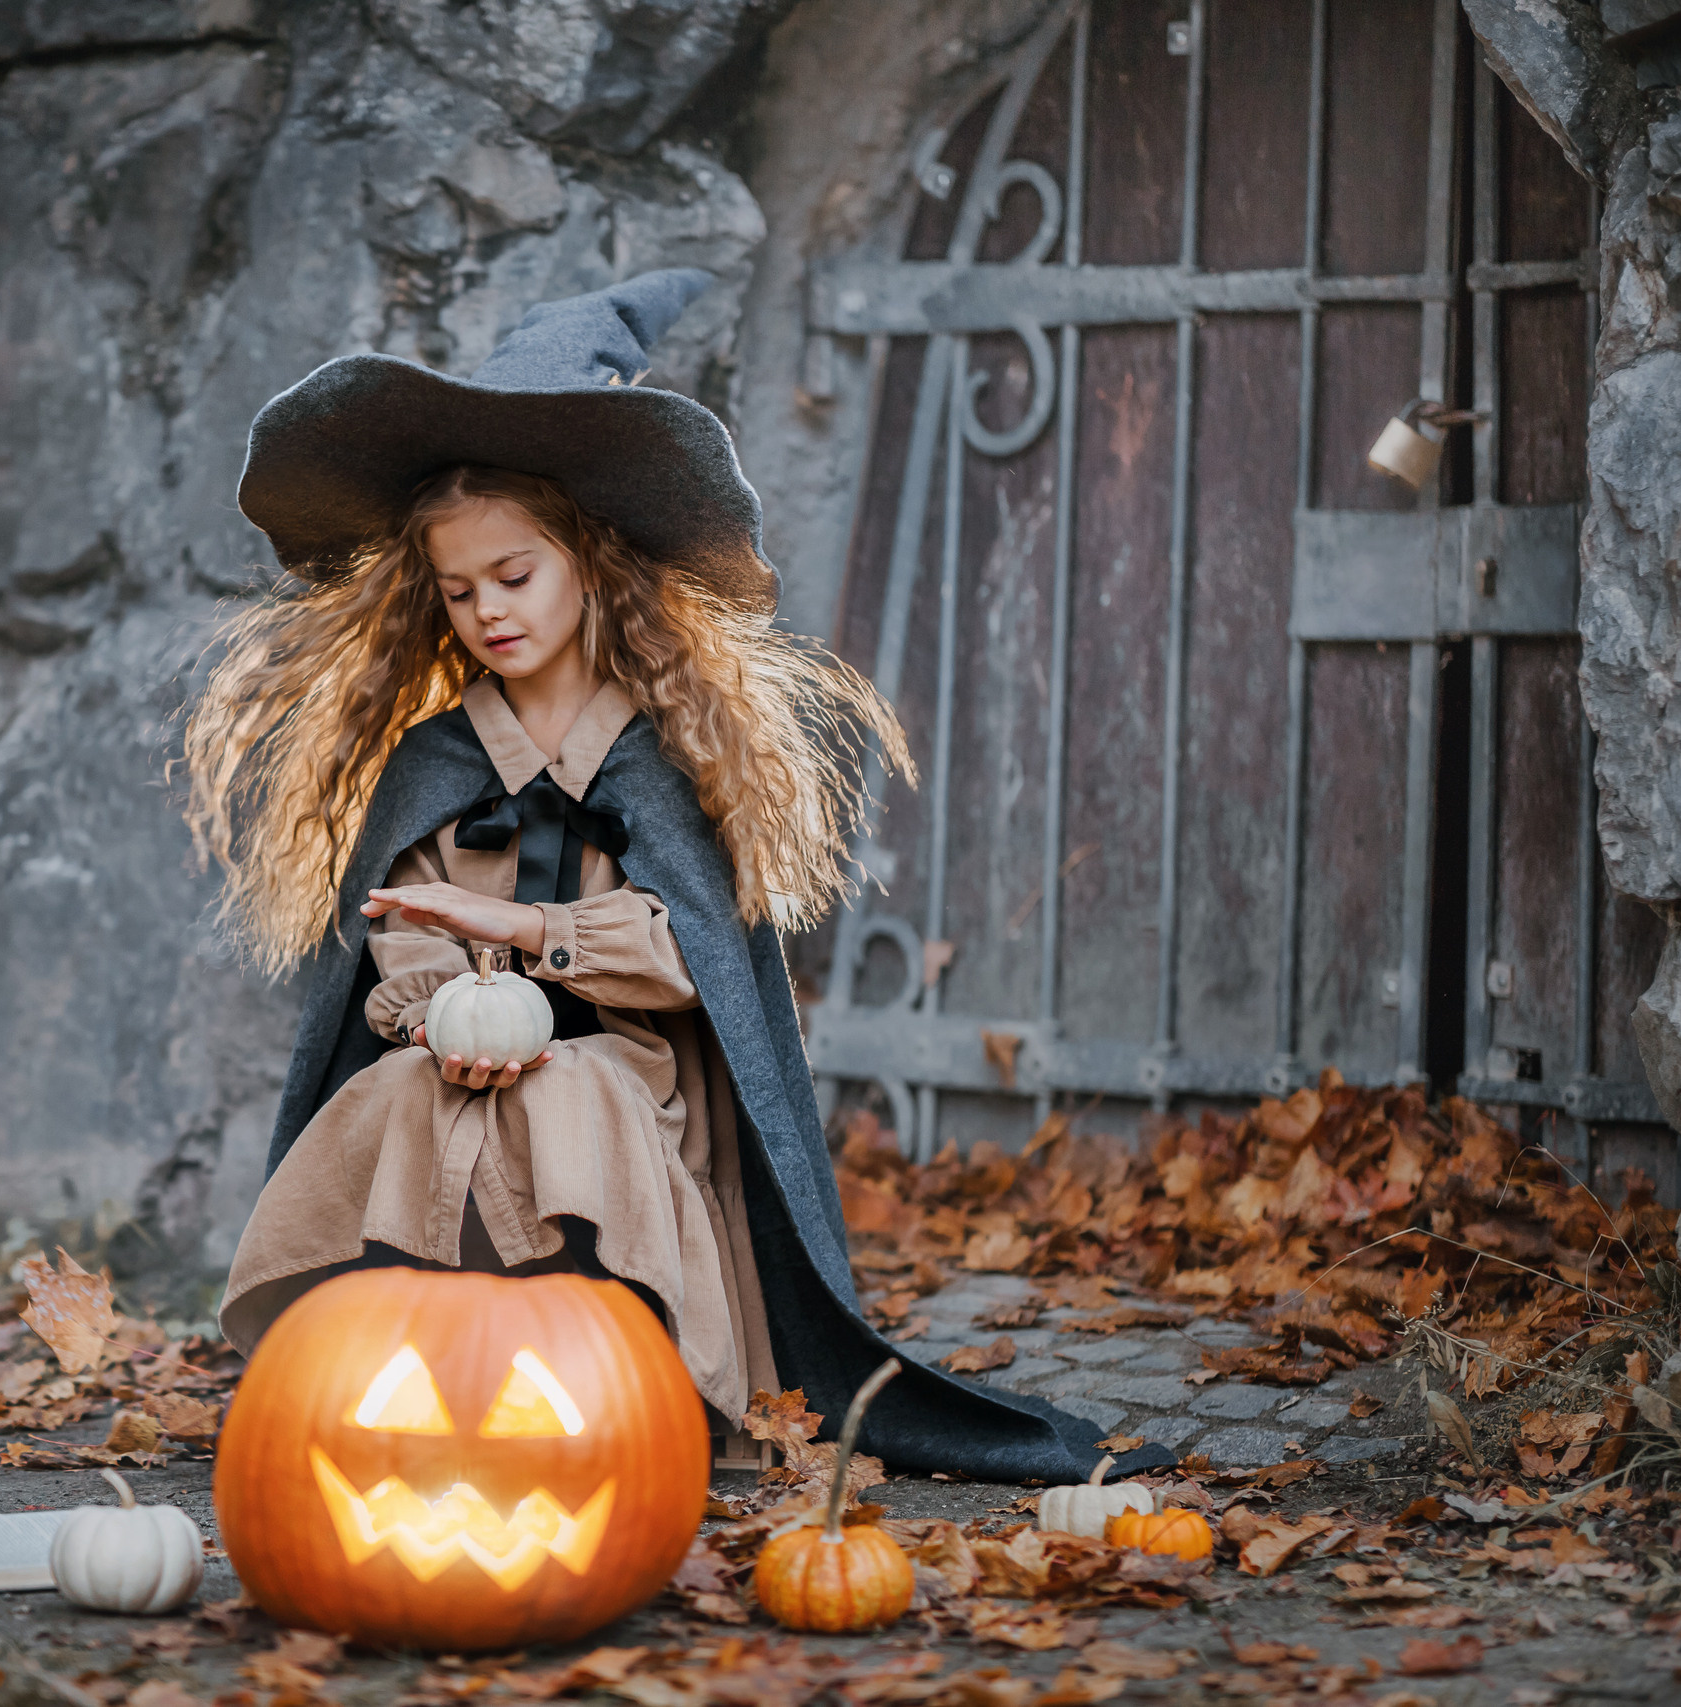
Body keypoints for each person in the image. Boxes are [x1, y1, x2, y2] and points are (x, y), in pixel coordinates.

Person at [184, 269, 1168, 1484]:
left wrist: (520, 927)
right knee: (396, 1102)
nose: (488, 609)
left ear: (587, 563)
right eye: (459, 589)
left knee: (571, 1089)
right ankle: (414, 1386)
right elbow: (399, 933)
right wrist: (437, 1001)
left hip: (639, 1085)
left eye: (515, 574)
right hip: (452, 1057)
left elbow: (686, 957)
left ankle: (621, 1385)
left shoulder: (657, 759)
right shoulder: (436, 763)